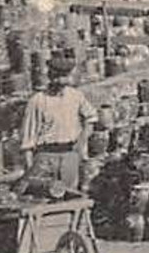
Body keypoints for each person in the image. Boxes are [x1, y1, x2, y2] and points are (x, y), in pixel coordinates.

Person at [17, 54, 95, 195]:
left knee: (71, 198)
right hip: (45, 157)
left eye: (65, 77)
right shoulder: (37, 101)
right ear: (50, 76)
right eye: (57, 77)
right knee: (43, 200)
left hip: (70, 156)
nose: (61, 81)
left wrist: (82, 141)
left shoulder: (76, 96)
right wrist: (31, 171)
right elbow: (27, 141)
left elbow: (91, 118)